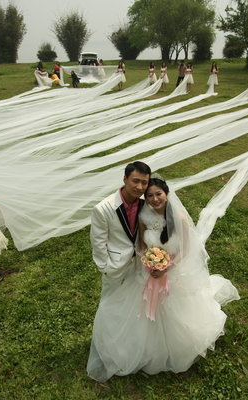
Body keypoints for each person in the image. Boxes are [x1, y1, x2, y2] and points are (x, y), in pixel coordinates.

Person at [87, 174, 240, 382]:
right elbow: (141, 244)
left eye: (158, 194)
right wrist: (148, 262)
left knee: (173, 310)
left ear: (166, 193)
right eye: (149, 196)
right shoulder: (144, 217)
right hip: (147, 272)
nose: (154, 199)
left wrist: (166, 266)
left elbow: (186, 249)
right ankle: (141, 345)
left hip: (172, 272)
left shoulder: (179, 218)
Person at [87, 161, 151, 380]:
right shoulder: (103, 208)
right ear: (124, 179)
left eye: (144, 182)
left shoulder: (145, 205)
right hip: (114, 267)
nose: (140, 187)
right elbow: (98, 242)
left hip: (139, 264)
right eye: (136, 181)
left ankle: (129, 342)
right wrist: (105, 267)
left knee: (134, 303)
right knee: (110, 305)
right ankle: (107, 346)